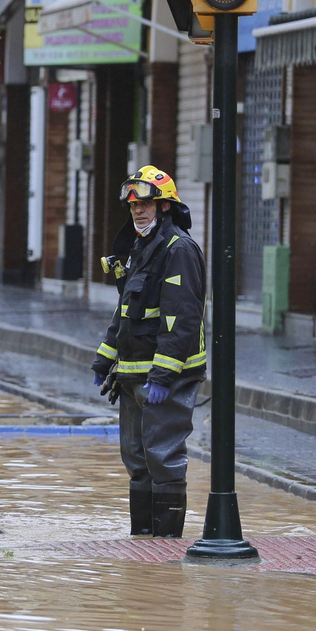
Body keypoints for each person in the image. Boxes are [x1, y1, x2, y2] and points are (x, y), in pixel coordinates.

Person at [91, 165, 208, 538]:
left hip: (165, 378)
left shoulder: (179, 250)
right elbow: (126, 312)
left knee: (163, 458)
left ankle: (166, 546)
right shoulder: (140, 248)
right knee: (137, 460)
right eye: (133, 206)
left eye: (146, 204)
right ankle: (142, 543)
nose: (138, 211)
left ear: (165, 206)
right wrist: (104, 358)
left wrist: (163, 376)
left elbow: (183, 319)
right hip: (133, 375)